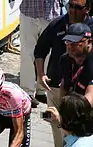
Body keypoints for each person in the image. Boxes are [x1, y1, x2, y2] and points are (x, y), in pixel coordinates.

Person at [34, 0, 92, 146]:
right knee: (60, 137)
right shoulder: (65, 58)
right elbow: (40, 49)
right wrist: (41, 75)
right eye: (70, 6)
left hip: (83, 105)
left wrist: (66, 116)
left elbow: (89, 98)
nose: (70, 47)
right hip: (63, 94)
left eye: (77, 7)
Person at [19, 0, 68, 107]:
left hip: (51, 14)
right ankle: (27, 92)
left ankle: (42, 90)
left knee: (48, 54)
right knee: (27, 55)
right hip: (29, 12)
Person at [60, 23, 93, 106]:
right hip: (75, 105)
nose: (70, 46)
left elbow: (89, 100)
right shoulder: (65, 59)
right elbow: (64, 86)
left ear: (89, 42)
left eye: (75, 42)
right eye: (68, 42)